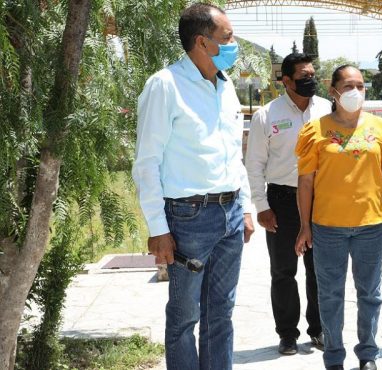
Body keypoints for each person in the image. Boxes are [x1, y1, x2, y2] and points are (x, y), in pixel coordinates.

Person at [132, 3, 254, 369]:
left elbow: (234, 153)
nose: (234, 44)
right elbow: (146, 162)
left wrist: (244, 206)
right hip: (188, 218)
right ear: (202, 42)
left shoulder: (226, 85)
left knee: (222, 314)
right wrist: (158, 228)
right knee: (185, 318)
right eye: (228, 37)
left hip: (230, 215)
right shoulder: (164, 85)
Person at [294, 65, 382, 370]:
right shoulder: (315, 130)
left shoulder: (381, 128)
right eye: (348, 86)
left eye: (361, 85)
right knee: (330, 296)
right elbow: (305, 181)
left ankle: (368, 355)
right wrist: (305, 225)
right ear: (333, 91)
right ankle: (334, 358)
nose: (355, 91)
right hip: (327, 227)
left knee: (370, 294)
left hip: (371, 225)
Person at [245, 52, 329, 355]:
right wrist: (262, 206)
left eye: (312, 74)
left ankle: (319, 329)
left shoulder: (327, 110)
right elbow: (253, 164)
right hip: (281, 199)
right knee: (283, 271)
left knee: (319, 269)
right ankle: (287, 333)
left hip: (322, 199)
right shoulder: (266, 115)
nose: (311, 80)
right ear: (287, 81)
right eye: (304, 76)